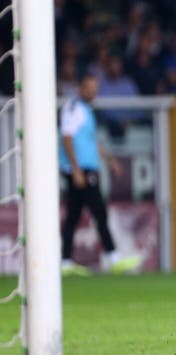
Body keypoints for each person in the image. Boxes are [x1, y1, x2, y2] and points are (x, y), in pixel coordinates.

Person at [59, 74, 142, 275]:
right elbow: (67, 138)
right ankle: (114, 258)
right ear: (79, 88)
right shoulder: (74, 108)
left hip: (85, 168)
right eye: (89, 87)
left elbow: (89, 142)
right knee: (99, 212)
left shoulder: (86, 110)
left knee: (73, 215)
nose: (93, 91)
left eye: (95, 87)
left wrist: (110, 160)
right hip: (82, 171)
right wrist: (76, 170)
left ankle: (66, 262)